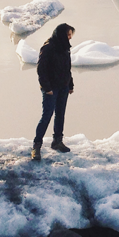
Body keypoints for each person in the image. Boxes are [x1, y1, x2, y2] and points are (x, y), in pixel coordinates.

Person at [31, 23, 75, 161]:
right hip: (51, 89)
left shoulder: (65, 48)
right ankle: (36, 146)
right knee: (47, 115)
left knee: (60, 114)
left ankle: (57, 141)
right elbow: (41, 70)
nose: (69, 38)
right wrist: (47, 88)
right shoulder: (48, 47)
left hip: (63, 86)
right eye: (68, 35)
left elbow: (67, 68)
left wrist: (70, 84)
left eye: (71, 35)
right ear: (60, 34)